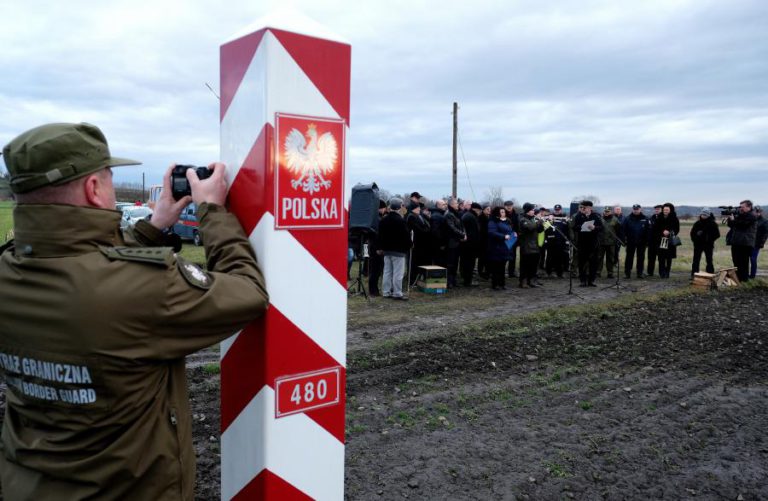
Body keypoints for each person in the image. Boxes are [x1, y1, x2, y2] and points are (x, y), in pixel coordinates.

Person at [0, 122, 269, 499]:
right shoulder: (146, 286)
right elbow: (248, 291)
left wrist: (153, 226)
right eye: (108, 177)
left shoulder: (9, 270)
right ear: (94, 189)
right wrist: (212, 210)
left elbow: (87, 266)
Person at [378, 198, 410, 299]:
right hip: (399, 250)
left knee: (387, 272)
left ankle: (386, 292)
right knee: (398, 273)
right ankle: (397, 293)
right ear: (399, 207)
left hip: (387, 250)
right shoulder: (401, 220)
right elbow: (406, 236)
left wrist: (381, 247)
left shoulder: (384, 219)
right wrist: (410, 244)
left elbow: (380, 235)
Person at [572, 200, 603, 286]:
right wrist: (582, 227)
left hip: (593, 243)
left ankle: (591, 280)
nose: (582, 209)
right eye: (581, 207)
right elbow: (574, 227)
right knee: (582, 262)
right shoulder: (578, 216)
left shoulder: (596, 216)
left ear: (589, 208)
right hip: (582, 243)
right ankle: (583, 280)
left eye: (584, 207)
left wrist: (594, 227)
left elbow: (601, 228)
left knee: (593, 262)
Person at [726, 200, 757, 282]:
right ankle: (738, 279)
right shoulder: (740, 215)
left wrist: (734, 220)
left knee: (743, 262)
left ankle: (744, 279)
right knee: (736, 260)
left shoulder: (752, 216)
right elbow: (732, 225)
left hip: (745, 243)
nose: (741, 209)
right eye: (740, 207)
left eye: (742, 207)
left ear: (749, 207)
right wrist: (730, 219)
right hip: (736, 242)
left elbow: (742, 225)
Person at [486, 206, 514, 289]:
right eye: (501, 212)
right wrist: (503, 236)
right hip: (496, 247)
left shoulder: (507, 221)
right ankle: (495, 284)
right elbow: (491, 232)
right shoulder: (492, 221)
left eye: (504, 212)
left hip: (505, 247)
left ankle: (502, 284)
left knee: (502, 266)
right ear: (497, 213)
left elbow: (509, 231)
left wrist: (513, 234)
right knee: (496, 267)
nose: (503, 213)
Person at [517, 202, 544, 288]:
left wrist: (541, 224)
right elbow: (531, 227)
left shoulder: (533, 219)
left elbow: (539, 230)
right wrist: (539, 220)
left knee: (533, 265)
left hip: (535, 245)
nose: (533, 211)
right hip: (526, 246)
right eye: (532, 210)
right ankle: (523, 282)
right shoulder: (522, 219)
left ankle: (531, 280)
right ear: (527, 211)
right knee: (525, 265)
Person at [441, 198, 467, 288]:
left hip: (457, 242)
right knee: (450, 263)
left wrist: (464, 234)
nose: (457, 205)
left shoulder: (456, 214)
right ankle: (449, 282)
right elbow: (452, 228)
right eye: (456, 203)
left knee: (455, 263)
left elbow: (461, 225)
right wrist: (462, 235)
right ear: (451, 204)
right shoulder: (448, 214)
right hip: (451, 242)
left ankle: (454, 280)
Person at [406, 200, 431, 285]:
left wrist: (427, 229)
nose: (419, 209)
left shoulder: (420, 216)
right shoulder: (411, 216)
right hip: (416, 243)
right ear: (414, 208)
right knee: (414, 263)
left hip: (422, 244)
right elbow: (417, 229)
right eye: (418, 207)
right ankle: (412, 280)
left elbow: (426, 225)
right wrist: (426, 231)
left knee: (420, 262)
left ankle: (418, 279)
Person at [653, 203, 680, 279]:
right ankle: (662, 273)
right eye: (664, 209)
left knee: (669, 257)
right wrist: (662, 232)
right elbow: (655, 229)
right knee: (661, 257)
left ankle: (667, 272)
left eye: (667, 210)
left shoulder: (674, 218)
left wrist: (669, 232)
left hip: (670, 240)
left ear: (670, 210)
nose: (665, 211)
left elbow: (677, 229)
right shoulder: (659, 217)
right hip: (661, 240)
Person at [621, 204, 649, 278]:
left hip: (642, 242)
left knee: (641, 258)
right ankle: (627, 273)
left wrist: (647, 241)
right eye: (634, 209)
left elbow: (648, 231)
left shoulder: (645, 219)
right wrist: (624, 240)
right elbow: (623, 231)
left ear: (640, 209)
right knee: (629, 257)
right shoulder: (627, 219)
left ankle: (639, 273)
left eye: (637, 209)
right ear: (632, 209)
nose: (636, 210)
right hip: (630, 241)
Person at [689, 208, 720, 276]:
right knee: (696, 260)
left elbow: (717, 234)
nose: (703, 216)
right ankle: (694, 274)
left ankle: (710, 274)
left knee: (709, 260)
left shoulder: (713, 224)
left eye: (705, 215)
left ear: (708, 215)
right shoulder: (697, 223)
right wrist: (695, 239)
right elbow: (692, 233)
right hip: (698, 245)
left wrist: (708, 238)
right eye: (702, 214)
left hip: (708, 245)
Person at [367, 199, 387, 296]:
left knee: (374, 270)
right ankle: (373, 291)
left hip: (373, 246)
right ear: (381, 208)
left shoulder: (373, 218)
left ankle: (373, 289)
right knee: (375, 270)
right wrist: (380, 248)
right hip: (376, 248)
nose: (384, 210)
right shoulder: (378, 220)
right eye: (384, 208)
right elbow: (378, 236)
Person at [459, 202, 482, 286]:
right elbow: (473, 233)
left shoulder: (468, 215)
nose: (480, 213)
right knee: (469, 263)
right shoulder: (471, 217)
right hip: (470, 245)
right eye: (479, 211)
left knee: (467, 263)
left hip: (467, 245)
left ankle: (467, 279)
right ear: (475, 209)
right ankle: (467, 281)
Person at [596, 206, 621, 279]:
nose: (606, 213)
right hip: (601, 242)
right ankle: (598, 272)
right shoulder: (599, 219)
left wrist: (619, 240)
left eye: (608, 211)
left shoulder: (615, 220)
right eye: (605, 211)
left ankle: (610, 273)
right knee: (599, 258)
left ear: (611, 212)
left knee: (610, 258)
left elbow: (619, 231)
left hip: (611, 243)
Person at [503, 200, 520, 278]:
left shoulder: (516, 215)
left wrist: (517, 233)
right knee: (504, 255)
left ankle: (511, 272)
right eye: (507, 205)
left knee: (513, 256)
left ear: (512, 206)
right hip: (504, 237)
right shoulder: (502, 214)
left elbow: (518, 226)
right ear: (505, 206)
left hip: (513, 237)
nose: (509, 207)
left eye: (510, 205)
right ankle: (501, 271)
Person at [750, 206, 767, 279]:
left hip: (757, 243)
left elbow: (766, 234)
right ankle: (745, 274)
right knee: (747, 259)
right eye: (753, 212)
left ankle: (752, 275)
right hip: (749, 242)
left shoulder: (764, 221)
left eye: (756, 212)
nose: (754, 213)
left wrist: (761, 243)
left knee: (753, 259)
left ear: (759, 212)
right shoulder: (752, 220)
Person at [646, 205, 662, 276]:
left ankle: (662, 272)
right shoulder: (651, 218)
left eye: (658, 209)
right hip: (651, 241)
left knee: (661, 258)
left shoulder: (663, 218)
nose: (657, 210)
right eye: (656, 209)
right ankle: (650, 272)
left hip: (661, 241)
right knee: (651, 258)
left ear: (661, 210)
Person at [477, 204, 491, 279]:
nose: (489, 211)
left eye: (489, 209)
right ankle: (480, 272)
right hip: (482, 241)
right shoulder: (480, 218)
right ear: (483, 210)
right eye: (487, 209)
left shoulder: (490, 218)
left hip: (489, 241)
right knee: (482, 258)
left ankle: (487, 272)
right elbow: (480, 230)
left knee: (488, 258)